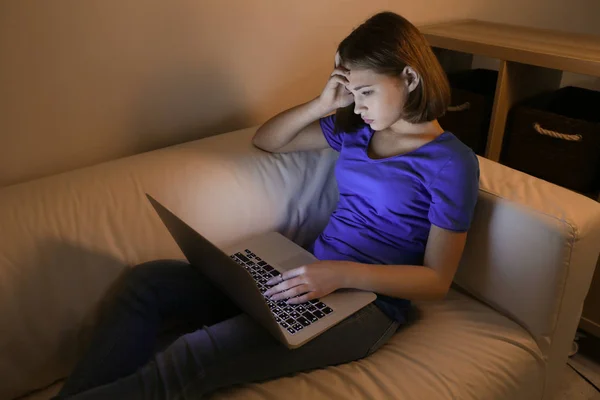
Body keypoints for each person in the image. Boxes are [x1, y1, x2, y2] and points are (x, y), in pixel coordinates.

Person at [54, 11, 479, 400]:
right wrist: (324, 104)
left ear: (409, 76)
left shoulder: (451, 162)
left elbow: (437, 281)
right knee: (146, 284)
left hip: (368, 308)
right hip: (305, 276)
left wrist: (341, 274)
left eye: (366, 91)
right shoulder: (356, 131)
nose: (360, 104)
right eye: (352, 92)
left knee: (190, 354)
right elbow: (269, 140)